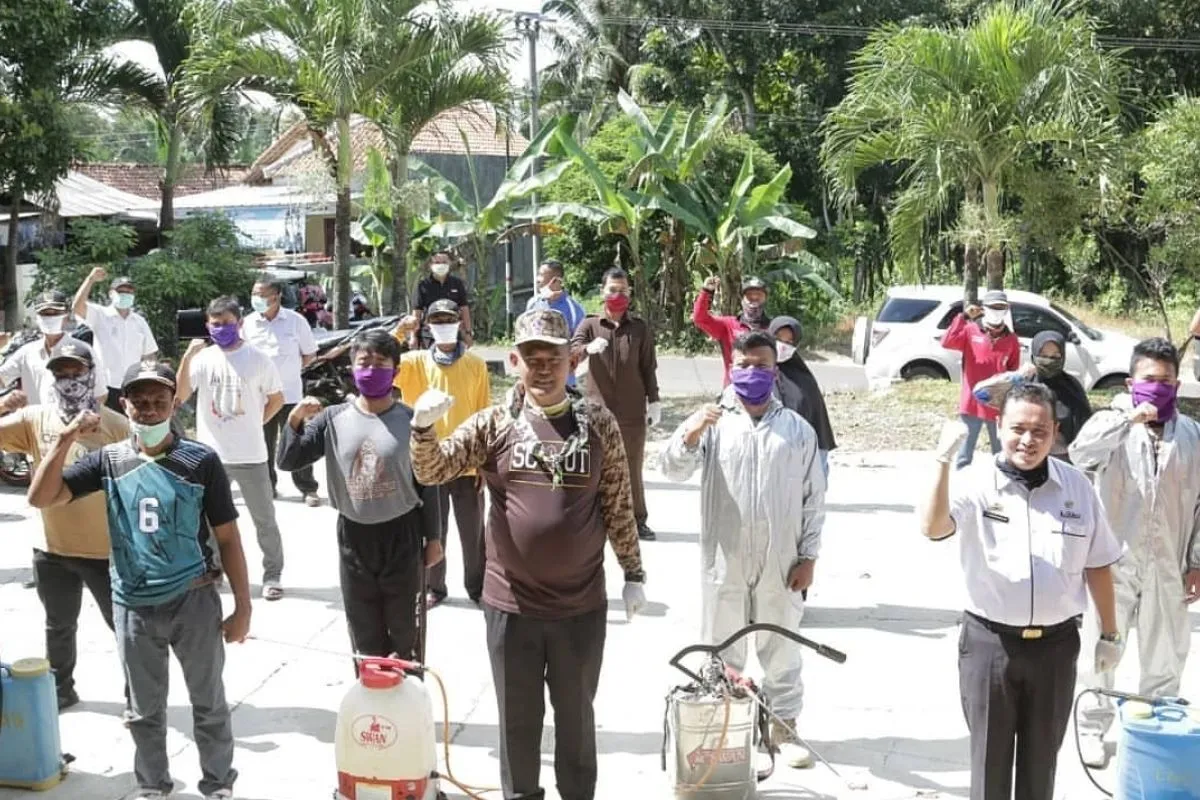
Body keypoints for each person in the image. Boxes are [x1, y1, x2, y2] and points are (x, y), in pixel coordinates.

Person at [409, 308, 647, 800]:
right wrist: (422, 429)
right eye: (532, 358)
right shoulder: (493, 424)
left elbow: (618, 501)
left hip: (580, 606)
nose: (543, 368)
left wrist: (633, 571)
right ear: (514, 362)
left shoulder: (598, 423)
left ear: (572, 361)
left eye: (553, 358)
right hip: (510, 606)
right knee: (518, 722)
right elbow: (434, 470)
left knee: (576, 719)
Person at [28, 360, 252, 800]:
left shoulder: (200, 460)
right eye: (140, 401)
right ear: (124, 404)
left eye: (158, 401)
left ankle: (218, 783)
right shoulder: (108, 460)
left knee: (208, 702)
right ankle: (152, 785)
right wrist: (65, 438)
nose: (149, 410)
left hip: (193, 598)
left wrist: (242, 606)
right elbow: (42, 497)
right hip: (133, 603)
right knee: (143, 709)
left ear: (173, 405)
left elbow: (228, 537)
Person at [918, 384, 1121, 800]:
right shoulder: (976, 482)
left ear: (1055, 432)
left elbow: (1098, 562)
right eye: (1018, 429)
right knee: (989, 766)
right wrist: (941, 463)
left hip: (1055, 649)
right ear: (999, 426)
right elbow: (934, 527)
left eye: (1039, 431)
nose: (1028, 440)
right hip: (990, 646)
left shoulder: (1078, 488)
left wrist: (1111, 633)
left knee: (1041, 766)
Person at [660, 330, 826, 770]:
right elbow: (670, 469)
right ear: (731, 368)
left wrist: (809, 556)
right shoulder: (712, 422)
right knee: (721, 649)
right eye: (744, 365)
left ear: (775, 371)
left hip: (781, 561)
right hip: (724, 560)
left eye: (761, 365)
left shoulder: (797, 431)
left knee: (782, 648)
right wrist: (691, 433)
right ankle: (726, 731)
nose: (752, 372)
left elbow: (814, 497)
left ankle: (782, 728)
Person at [1069, 337, 1200, 768]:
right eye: (1149, 379)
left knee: (1166, 654)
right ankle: (1092, 726)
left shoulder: (1192, 435)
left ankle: (1154, 734)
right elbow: (1080, 453)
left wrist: (1197, 562)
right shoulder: (1112, 422)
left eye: (1166, 380)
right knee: (1102, 648)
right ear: (1131, 382)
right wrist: (1129, 418)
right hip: (1114, 564)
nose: (1158, 387)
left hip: (1169, 564)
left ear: (1177, 384)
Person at [279, 329, 442, 663]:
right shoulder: (332, 418)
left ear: (396, 371)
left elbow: (429, 482)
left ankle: (409, 688)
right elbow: (288, 460)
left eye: (381, 363)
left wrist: (435, 538)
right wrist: (295, 419)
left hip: (402, 534)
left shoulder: (412, 421)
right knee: (364, 630)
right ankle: (369, 692)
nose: (371, 370)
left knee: (405, 631)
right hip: (354, 536)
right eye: (363, 362)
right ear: (351, 368)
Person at [0, 340, 129, 709]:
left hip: (106, 551)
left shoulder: (115, 425)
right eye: (60, 373)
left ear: (92, 374)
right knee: (58, 626)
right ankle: (60, 690)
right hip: (51, 548)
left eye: (77, 372)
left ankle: (138, 695)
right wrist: (3, 404)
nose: (69, 380)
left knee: (125, 628)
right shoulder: (35, 418)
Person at [176, 296, 287, 601]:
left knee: (264, 520)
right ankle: (214, 570)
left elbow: (276, 398)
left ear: (239, 323)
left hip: (251, 455)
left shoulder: (258, 359)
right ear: (207, 325)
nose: (221, 328)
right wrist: (188, 357)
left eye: (227, 323)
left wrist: (257, 422)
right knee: (209, 521)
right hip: (211, 456)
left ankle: (273, 574)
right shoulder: (203, 358)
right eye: (216, 323)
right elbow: (180, 395)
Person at [393, 299, 490, 606]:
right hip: (428, 462)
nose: (444, 324)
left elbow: (484, 413)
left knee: (473, 532)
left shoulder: (475, 364)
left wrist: (484, 463)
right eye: (437, 320)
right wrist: (399, 333)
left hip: (466, 461)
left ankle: (478, 587)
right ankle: (434, 587)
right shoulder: (414, 362)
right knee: (433, 531)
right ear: (428, 325)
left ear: (459, 323)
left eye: (449, 319)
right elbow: (381, 362)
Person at [571, 267, 661, 540]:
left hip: (632, 412)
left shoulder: (639, 328)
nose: (617, 295)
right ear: (603, 292)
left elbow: (648, 368)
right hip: (596, 412)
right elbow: (571, 353)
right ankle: (592, 520)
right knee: (595, 466)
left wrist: (654, 401)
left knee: (632, 467)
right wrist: (586, 349)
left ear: (629, 293)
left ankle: (637, 520)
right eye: (612, 289)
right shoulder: (590, 325)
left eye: (623, 290)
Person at [244, 273, 321, 507]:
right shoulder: (247, 323)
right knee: (262, 444)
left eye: (261, 294)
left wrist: (289, 370)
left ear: (276, 296)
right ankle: (268, 487)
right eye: (254, 294)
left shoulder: (296, 321)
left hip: (290, 394)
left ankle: (308, 488)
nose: (256, 298)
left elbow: (309, 355)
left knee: (297, 442)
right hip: (260, 397)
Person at [972, 330, 1092, 461]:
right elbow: (981, 393)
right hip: (1023, 456)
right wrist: (1017, 376)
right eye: (1043, 356)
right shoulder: (1023, 383)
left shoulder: (1071, 386)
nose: (1048, 361)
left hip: (1060, 460)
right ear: (1034, 355)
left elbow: (1086, 429)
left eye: (1055, 356)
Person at [940, 290, 1019, 469]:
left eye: (1001, 308)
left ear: (1007, 310)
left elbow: (1013, 372)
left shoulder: (1011, 339)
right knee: (964, 454)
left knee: (1001, 454)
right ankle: (961, 481)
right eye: (993, 307)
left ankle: (1002, 481)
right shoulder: (971, 330)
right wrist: (963, 317)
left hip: (997, 405)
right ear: (984, 309)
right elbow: (947, 341)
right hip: (972, 403)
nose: (997, 311)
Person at [71, 267, 158, 414]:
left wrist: (149, 380)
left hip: (133, 386)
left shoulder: (139, 322)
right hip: (105, 387)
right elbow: (77, 307)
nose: (125, 295)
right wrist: (90, 280)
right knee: (106, 425)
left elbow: (149, 354)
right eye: (121, 291)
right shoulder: (100, 315)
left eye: (129, 292)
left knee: (133, 424)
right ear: (111, 293)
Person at [0, 290, 110, 407]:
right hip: (36, 418)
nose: (50, 318)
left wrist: (85, 414)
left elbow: (100, 394)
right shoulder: (26, 353)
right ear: (37, 317)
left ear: (66, 316)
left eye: (56, 313)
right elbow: (2, 378)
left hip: (73, 417)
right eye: (45, 313)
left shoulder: (83, 351)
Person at [768, 316, 837, 477]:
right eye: (778, 339)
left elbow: (816, 422)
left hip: (804, 453)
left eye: (789, 342)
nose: (782, 346)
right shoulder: (758, 373)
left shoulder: (803, 378)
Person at [692, 275, 771, 384]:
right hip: (733, 387)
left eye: (758, 296)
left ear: (765, 299)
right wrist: (706, 291)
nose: (754, 299)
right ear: (742, 299)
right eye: (749, 296)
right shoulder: (728, 325)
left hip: (765, 388)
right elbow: (700, 319)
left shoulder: (773, 327)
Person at [410, 252, 473, 350]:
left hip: (453, 332)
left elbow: (464, 309)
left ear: (450, 263)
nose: (441, 265)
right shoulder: (423, 285)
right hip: (430, 334)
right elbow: (417, 313)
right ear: (431, 265)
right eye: (437, 262)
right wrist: (413, 336)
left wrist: (468, 333)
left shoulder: (457, 284)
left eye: (444, 262)